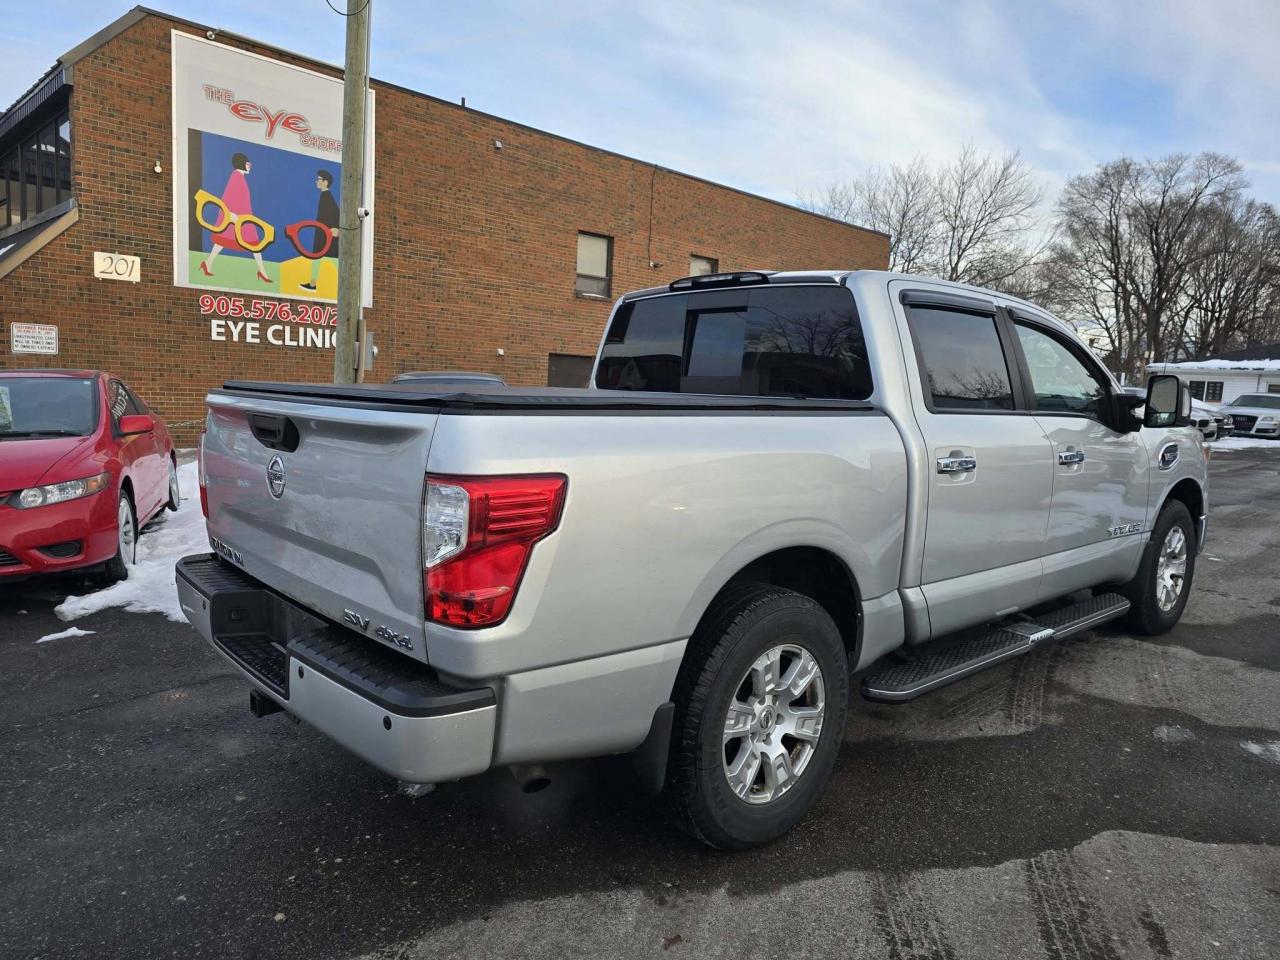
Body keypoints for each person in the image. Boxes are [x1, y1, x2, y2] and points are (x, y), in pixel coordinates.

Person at [199, 152, 272, 284]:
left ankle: (207, 263)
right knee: (253, 245)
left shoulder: (240, 177)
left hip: (243, 218)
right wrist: (230, 214)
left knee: (225, 242)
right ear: (241, 163)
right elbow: (227, 197)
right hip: (238, 218)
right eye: (247, 163)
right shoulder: (236, 177)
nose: (250, 166)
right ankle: (262, 272)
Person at [300, 169, 340, 292]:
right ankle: (312, 284)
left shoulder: (328, 197)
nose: (316, 181)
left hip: (327, 235)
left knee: (335, 260)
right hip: (322, 234)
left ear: (325, 182)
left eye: (319, 179)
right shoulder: (324, 195)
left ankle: (347, 283)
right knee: (317, 257)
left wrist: (337, 230)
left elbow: (337, 214)